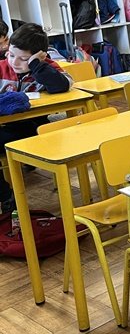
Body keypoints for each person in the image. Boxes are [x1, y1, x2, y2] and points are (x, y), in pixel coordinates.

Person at [0, 23, 72, 213]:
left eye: (23, 59)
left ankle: (6, 198)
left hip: (35, 128)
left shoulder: (46, 68)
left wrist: (36, 65)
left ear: (39, 56)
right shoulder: (2, 68)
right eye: (11, 55)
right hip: (5, 128)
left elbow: (63, 85)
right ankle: (6, 196)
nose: (15, 62)